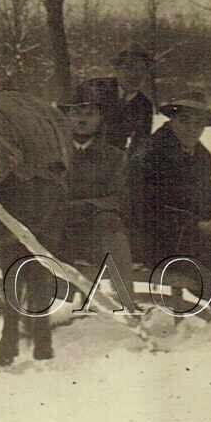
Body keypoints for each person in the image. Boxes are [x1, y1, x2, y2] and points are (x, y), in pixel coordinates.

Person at [128, 91, 211, 345]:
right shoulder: (150, 154)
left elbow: (210, 192)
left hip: (194, 229)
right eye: (185, 120)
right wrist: (199, 225)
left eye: (198, 123)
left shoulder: (201, 155)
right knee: (202, 252)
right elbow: (147, 209)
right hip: (152, 236)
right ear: (171, 120)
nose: (192, 128)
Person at [59, 78, 137, 312]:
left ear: (100, 117)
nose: (81, 119)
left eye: (89, 112)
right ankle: (17, 299)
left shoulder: (115, 157)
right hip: (58, 232)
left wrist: (87, 206)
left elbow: (120, 197)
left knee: (110, 222)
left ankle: (126, 303)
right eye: (75, 112)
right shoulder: (52, 154)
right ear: (66, 117)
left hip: (96, 235)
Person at [104, 45, 154, 154]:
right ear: (116, 70)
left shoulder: (145, 105)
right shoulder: (94, 89)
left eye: (142, 69)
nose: (136, 74)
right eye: (129, 67)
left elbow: (140, 145)